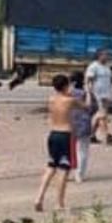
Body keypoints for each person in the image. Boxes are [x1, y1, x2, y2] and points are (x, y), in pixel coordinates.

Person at [34, 74, 91, 212]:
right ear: (65, 86)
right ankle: (59, 203)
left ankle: (39, 197)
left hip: (53, 133)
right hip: (66, 135)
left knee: (51, 166)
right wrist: (88, 91)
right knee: (64, 170)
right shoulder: (70, 101)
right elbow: (87, 106)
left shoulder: (51, 99)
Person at [69, 71, 97, 183]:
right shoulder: (86, 94)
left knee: (70, 150)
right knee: (83, 151)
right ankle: (80, 174)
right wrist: (89, 91)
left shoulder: (68, 93)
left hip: (70, 124)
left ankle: (68, 172)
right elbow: (92, 108)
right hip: (84, 124)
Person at [86, 49, 112, 145]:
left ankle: (91, 135)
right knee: (102, 115)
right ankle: (107, 136)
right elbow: (88, 80)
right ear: (99, 56)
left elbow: (111, 78)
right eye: (105, 55)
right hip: (97, 94)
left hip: (106, 94)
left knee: (100, 116)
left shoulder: (107, 67)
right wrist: (89, 93)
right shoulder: (94, 66)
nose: (107, 57)